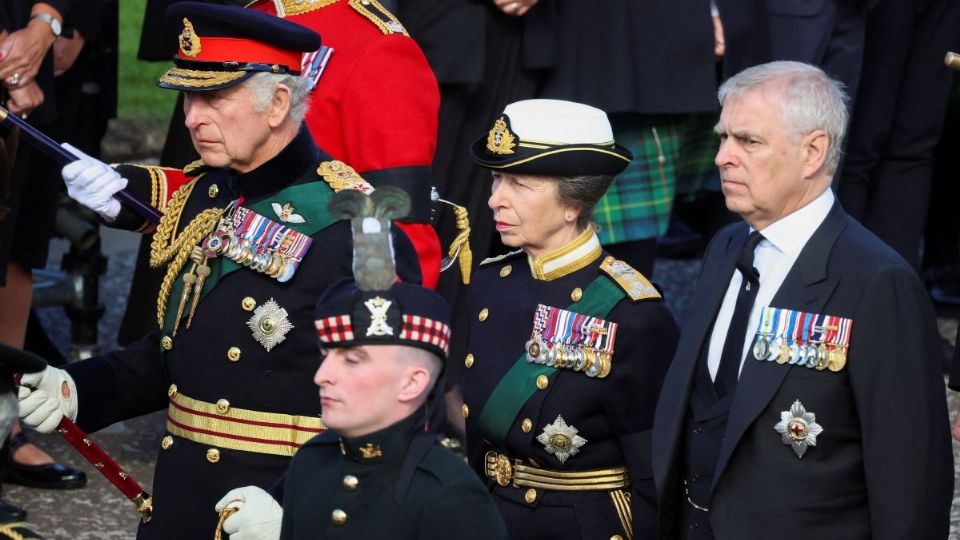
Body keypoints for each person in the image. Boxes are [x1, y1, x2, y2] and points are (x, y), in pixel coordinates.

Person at [16, 4, 421, 539]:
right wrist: (79, 390)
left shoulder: (360, 229)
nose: (191, 117)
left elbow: (396, 406)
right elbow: (178, 354)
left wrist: (310, 508)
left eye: (214, 97)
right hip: (184, 508)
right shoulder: (207, 198)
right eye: (188, 96)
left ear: (278, 103)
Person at [651, 61, 952, 539]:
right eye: (723, 137)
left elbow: (910, 481)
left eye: (748, 141)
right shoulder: (726, 247)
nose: (722, 157)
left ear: (813, 152)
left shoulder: (877, 281)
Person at [461, 99, 680, 539]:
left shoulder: (633, 313)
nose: (494, 200)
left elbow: (656, 473)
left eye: (519, 184)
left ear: (573, 204)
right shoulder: (489, 282)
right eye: (496, 179)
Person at [215, 219, 507, 538]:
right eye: (327, 356)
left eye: (352, 360)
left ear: (412, 383)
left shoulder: (450, 496)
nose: (323, 376)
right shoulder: (312, 461)